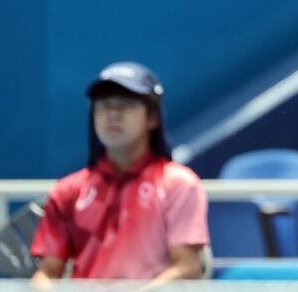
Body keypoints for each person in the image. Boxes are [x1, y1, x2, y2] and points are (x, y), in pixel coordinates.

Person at [31, 62, 210, 286]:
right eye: (104, 105)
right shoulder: (68, 190)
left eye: (126, 104)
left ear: (152, 117)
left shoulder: (179, 184)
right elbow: (47, 273)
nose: (113, 114)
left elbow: (186, 268)